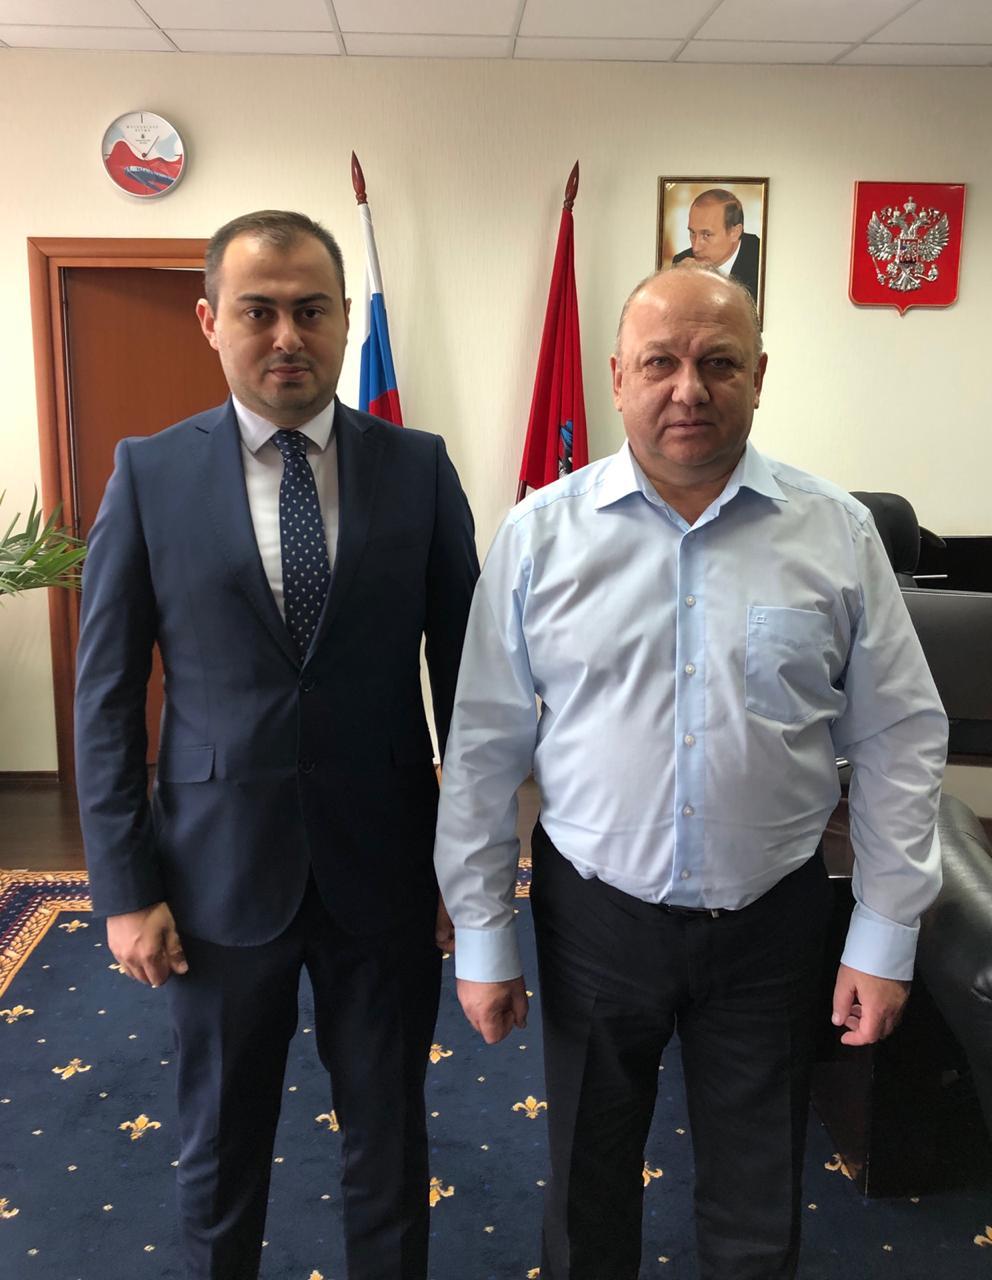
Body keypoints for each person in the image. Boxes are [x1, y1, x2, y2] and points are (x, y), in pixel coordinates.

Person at [434, 263, 947, 1279]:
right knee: (586, 1187)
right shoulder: (539, 537)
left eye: (718, 363)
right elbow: (485, 746)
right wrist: (484, 934)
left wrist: (884, 934)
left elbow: (899, 736)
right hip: (593, 920)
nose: (688, 388)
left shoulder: (834, 534)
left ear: (758, 375)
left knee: (758, 1204)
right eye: (660, 362)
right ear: (616, 376)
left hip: (771, 922)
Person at [74, 209, 479, 1280]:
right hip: (212, 878)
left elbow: (470, 690)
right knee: (219, 1142)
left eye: (311, 310)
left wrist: (469, 866)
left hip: (385, 870)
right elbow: (106, 696)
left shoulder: (419, 469)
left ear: (346, 321)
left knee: (389, 1138)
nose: (287, 335)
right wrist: (124, 887)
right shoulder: (149, 474)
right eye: (258, 311)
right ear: (210, 321)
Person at [673, 188, 761, 301]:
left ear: (735, 232)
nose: (696, 248)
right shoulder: (682, 263)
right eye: (692, 233)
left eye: (707, 235)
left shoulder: (762, 260)